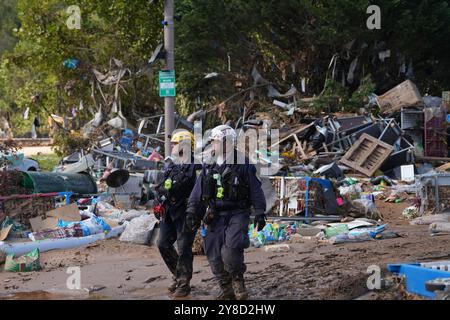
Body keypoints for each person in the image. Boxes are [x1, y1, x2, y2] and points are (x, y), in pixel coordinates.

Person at [185, 125, 267, 300]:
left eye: (216, 141)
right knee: (213, 254)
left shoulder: (244, 164)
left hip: (237, 213)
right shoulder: (209, 165)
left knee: (230, 251)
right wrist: (192, 212)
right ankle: (226, 288)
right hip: (214, 215)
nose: (213, 145)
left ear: (228, 142)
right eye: (213, 141)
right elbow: (198, 191)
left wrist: (260, 212)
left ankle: (238, 283)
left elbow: (256, 190)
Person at [154, 129, 201, 297]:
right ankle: (178, 275)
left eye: (175, 143)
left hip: (186, 213)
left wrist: (196, 213)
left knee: (184, 248)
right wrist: (157, 202)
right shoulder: (170, 164)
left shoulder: (196, 168)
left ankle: (183, 283)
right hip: (169, 211)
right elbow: (160, 185)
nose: (172, 146)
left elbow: (200, 193)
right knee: (162, 244)